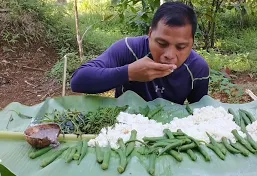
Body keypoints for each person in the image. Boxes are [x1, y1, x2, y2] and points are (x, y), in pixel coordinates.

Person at [70, 2, 210, 105]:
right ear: (150, 34)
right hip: (123, 131)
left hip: (167, 136)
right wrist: (129, 73)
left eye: (181, 47)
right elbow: (78, 81)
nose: (170, 55)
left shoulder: (197, 68)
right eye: (162, 43)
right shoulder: (129, 49)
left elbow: (198, 113)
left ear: (192, 43)